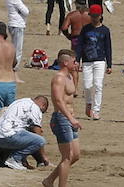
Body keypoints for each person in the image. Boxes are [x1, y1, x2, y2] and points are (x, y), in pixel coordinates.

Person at [45, 49, 82, 187]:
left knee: (75, 155)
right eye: (74, 61)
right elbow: (59, 101)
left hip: (70, 117)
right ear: (66, 62)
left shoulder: (70, 77)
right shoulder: (59, 78)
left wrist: (75, 72)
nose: (76, 63)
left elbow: (74, 92)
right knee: (67, 156)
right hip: (61, 118)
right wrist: (70, 118)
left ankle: (49, 180)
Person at [0, 95, 48, 170]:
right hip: (7, 136)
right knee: (40, 140)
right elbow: (37, 131)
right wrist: (44, 156)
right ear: (43, 106)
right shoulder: (35, 108)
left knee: (26, 134)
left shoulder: (20, 102)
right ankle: (15, 159)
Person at [77, 6, 112, 120]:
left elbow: (108, 47)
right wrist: (77, 60)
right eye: (92, 16)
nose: (94, 18)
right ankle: (88, 103)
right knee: (87, 85)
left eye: (96, 16)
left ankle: (96, 110)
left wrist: (109, 64)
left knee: (98, 85)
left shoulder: (105, 30)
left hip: (100, 60)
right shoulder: (85, 29)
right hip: (87, 60)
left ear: (101, 16)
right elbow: (80, 45)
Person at [5, 0, 29, 71]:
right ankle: (14, 67)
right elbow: (26, 11)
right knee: (17, 49)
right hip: (17, 24)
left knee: (15, 47)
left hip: (14, 24)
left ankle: (11, 65)